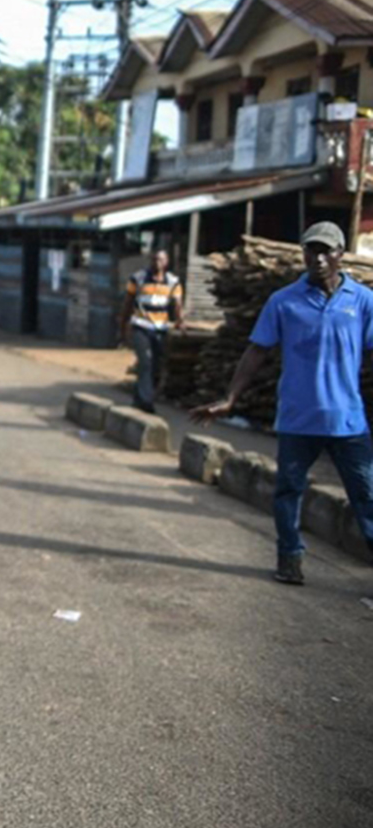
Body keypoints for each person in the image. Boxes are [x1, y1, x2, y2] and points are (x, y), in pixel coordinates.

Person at [191, 221, 373, 585]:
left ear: (340, 255)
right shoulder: (284, 301)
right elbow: (257, 351)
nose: (318, 259)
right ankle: (289, 558)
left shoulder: (363, 301)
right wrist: (231, 397)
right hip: (297, 418)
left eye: (326, 251)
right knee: (288, 491)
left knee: (367, 494)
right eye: (311, 250)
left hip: (348, 421)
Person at [120, 248, 186, 414]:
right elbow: (128, 303)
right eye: (155, 259)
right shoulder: (139, 278)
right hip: (141, 325)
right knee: (146, 362)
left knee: (156, 365)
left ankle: (139, 398)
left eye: (161, 260)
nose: (158, 263)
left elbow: (177, 304)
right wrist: (123, 324)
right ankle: (146, 401)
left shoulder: (173, 282)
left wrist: (180, 321)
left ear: (167, 262)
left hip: (160, 328)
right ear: (151, 261)